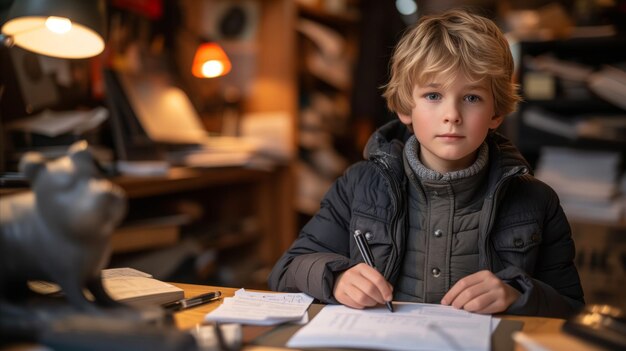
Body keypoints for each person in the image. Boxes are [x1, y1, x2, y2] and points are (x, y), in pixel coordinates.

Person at [269, 8, 584, 318]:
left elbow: (572, 308)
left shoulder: (537, 201)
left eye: (472, 97)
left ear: (496, 113)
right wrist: (335, 278)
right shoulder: (358, 186)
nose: (452, 115)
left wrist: (518, 294)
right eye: (433, 95)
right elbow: (286, 271)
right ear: (405, 108)